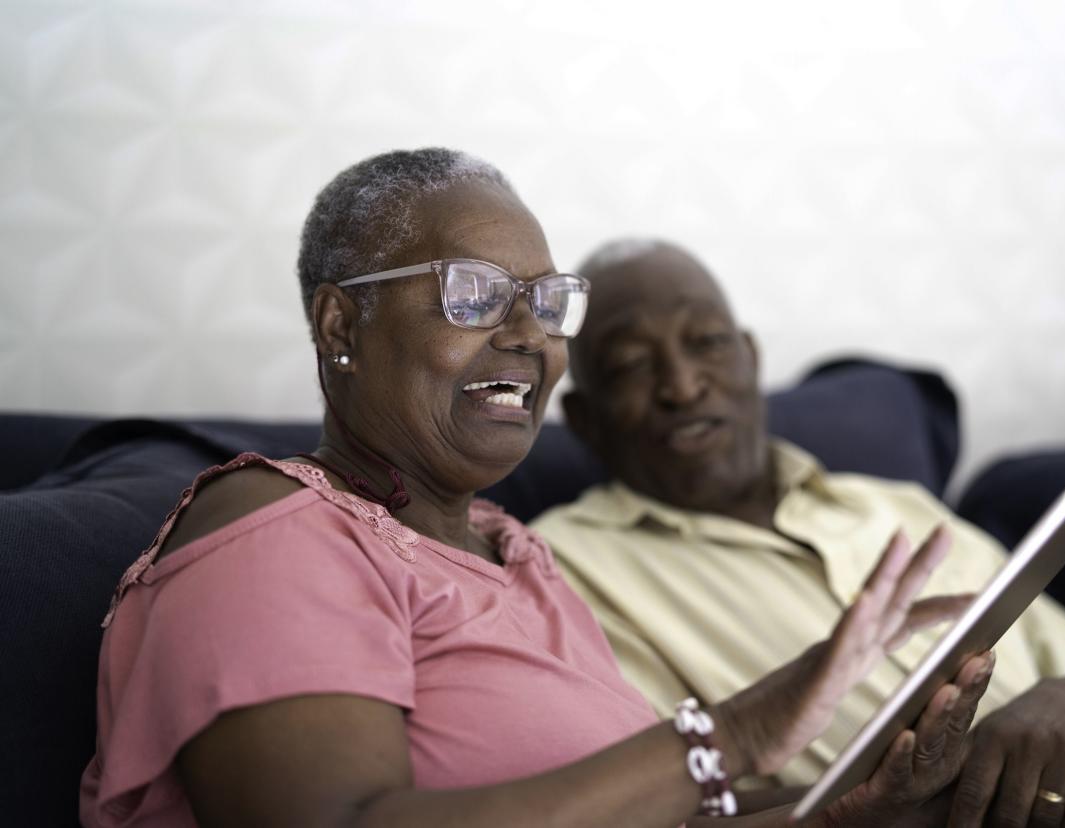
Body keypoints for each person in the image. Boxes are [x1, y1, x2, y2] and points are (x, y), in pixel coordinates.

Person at [79, 150, 996, 828]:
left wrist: (861, 806)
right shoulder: (275, 532)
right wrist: (732, 733)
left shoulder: (516, 554)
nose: (529, 335)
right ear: (339, 322)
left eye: (546, 301)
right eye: (473, 293)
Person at [533, 237, 1065, 827]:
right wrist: (973, 783)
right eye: (631, 364)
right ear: (588, 421)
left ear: (750, 360)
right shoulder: (564, 569)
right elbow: (654, 811)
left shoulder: (897, 505)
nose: (683, 385)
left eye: (708, 343)